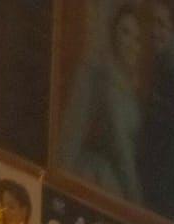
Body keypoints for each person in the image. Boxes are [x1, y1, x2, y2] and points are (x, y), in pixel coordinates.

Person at [57, 3, 146, 204]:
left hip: (118, 181)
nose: (131, 43)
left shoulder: (128, 87)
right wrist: (137, 202)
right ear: (114, 37)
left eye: (137, 37)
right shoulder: (107, 82)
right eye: (125, 32)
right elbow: (121, 149)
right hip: (102, 179)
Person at [137, 0, 174, 224]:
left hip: (163, 200)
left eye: (161, 24)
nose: (155, 31)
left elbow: (173, 149)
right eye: (152, 23)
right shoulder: (160, 71)